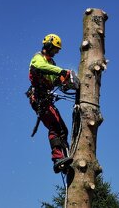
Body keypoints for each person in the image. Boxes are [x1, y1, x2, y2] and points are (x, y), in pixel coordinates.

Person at [26, 34, 73, 173]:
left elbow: (54, 80)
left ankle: (65, 157)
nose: (56, 52)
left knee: (63, 130)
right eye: (55, 49)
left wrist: (65, 81)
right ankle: (57, 159)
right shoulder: (38, 58)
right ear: (48, 46)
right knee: (55, 126)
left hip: (46, 100)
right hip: (39, 99)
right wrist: (62, 71)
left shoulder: (52, 64)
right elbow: (40, 67)